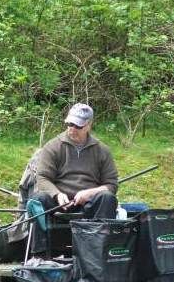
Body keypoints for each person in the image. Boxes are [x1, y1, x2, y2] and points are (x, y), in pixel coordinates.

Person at [29, 103, 119, 256]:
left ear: (88, 125)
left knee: (107, 198)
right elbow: (42, 178)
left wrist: (90, 193)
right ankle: (40, 256)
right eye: (70, 124)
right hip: (59, 203)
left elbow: (111, 184)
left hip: (89, 204)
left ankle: (97, 254)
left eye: (78, 126)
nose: (72, 128)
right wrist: (56, 194)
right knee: (38, 199)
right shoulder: (53, 146)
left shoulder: (102, 150)